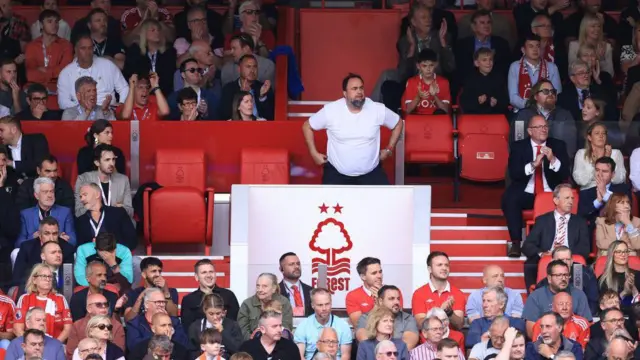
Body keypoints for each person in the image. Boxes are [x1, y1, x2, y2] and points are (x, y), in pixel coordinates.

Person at [303, 74, 403, 185]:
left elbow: (398, 123)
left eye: (361, 88)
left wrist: (389, 149)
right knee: (329, 201)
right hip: (337, 173)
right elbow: (307, 126)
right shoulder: (331, 110)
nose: (359, 92)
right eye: (354, 89)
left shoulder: (377, 109)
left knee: (386, 200)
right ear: (345, 94)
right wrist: (313, 153)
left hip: (371, 173)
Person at [502, 115, 570, 257]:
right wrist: (533, 164)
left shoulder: (558, 145)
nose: (543, 129)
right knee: (510, 197)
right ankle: (515, 242)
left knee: (568, 197)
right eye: (539, 127)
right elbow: (514, 173)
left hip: (550, 192)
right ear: (530, 131)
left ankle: (564, 243)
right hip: (527, 191)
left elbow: (564, 173)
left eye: (545, 126)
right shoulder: (518, 147)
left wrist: (553, 160)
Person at [522, 183, 591, 289]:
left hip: (570, 258)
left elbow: (585, 248)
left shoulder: (580, 222)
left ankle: (578, 295)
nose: (571, 201)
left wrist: (565, 254)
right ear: (556, 200)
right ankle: (534, 294)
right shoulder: (542, 220)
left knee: (579, 267)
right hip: (548, 256)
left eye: (572, 198)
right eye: (567, 198)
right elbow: (528, 245)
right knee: (529, 265)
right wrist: (542, 254)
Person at [57, 35, 129, 110]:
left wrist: (121, 106)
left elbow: (124, 88)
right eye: (83, 48)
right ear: (76, 49)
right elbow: (63, 102)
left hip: (107, 113)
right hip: (79, 115)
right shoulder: (66, 73)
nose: (87, 52)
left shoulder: (108, 65)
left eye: (90, 48)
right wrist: (84, 109)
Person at [14, 264, 72, 342]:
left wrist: (54, 345)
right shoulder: (25, 299)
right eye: (44, 276)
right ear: (34, 280)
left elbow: (68, 329)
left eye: (50, 276)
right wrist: (31, 344)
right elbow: (17, 329)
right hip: (30, 345)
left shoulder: (60, 299)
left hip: (56, 344)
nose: (48, 279)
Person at [74, 144, 133, 218]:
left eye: (113, 159)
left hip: (117, 223)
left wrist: (121, 209)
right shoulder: (83, 179)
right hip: (93, 223)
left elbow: (130, 212)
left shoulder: (123, 180)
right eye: (107, 160)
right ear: (97, 163)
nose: (112, 163)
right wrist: (91, 206)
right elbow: (78, 213)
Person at [181, 259, 240, 331]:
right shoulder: (188, 300)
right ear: (196, 277)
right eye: (204, 272)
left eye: (211, 272)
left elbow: (235, 323)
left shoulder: (228, 295)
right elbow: (187, 328)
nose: (208, 275)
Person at [16, 177, 76, 247]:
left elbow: (73, 240)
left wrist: (59, 239)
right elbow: (18, 243)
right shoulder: (25, 214)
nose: (50, 195)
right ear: (36, 195)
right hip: (33, 252)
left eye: (51, 191)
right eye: (45, 192)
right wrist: (33, 238)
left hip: (57, 250)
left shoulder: (65, 212)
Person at [74, 183, 137, 249]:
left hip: (116, 256)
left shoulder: (118, 213)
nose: (82, 199)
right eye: (80, 197)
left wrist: (107, 245)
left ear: (97, 195)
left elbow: (132, 240)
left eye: (85, 195)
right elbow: (80, 247)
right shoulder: (80, 220)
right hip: (92, 258)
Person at [294, 288, 352, 360]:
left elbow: (345, 356)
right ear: (313, 305)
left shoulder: (343, 326)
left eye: (327, 304)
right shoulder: (303, 326)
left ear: (331, 303)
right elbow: (300, 357)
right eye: (320, 305)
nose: (324, 308)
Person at [25, 9, 73, 92]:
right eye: (50, 21)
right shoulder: (31, 46)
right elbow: (30, 74)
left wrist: (44, 71)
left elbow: (65, 71)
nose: (54, 25)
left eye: (56, 22)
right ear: (41, 24)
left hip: (59, 87)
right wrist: (54, 73)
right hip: (34, 88)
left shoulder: (66, 45)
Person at [66, 293, 125, 359]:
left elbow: (119, 352)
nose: (104, 307)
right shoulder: (77, 325)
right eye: (99, 305)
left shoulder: (117, 326)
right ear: (89, 309)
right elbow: (70, 353)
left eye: (106, 304)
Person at [187, 293, 243, 359]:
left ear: (222, 311)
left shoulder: (233, 325)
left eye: (218, 313)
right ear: (204, 310)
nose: (215, 317)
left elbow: (238, 350)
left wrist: (223, 332)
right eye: (211, 314)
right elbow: (191, 353)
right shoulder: (195, 327)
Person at [238, 273, 293, 339]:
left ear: (273, 288)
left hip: (279, 344)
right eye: (258, 286)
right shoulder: (247, 304)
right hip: (253, 344)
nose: (260, 290)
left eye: (264, 286)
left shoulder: (284, 302)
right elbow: (243, 331)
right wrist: (255, 343)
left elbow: (285, 329)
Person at [123, 257, 179, 321]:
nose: (158, 274)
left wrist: (166, 291)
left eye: (159, 271)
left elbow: (174, 315)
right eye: (153, 271)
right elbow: (128, 319)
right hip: (142, 329)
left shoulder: (171, 292)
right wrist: (139, 299)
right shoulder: (132, 294)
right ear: (144, 275)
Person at [402, 48, 451, 115]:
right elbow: (408, 111)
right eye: (424, 66)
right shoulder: (411, 82)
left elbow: (445, 111)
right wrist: (418, 97)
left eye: (431, 65)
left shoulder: (443, 82)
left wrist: (435, 96)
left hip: (436, 120)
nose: (428, 69)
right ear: (418, 66)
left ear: (436, 64)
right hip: (418, 120)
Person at [278, 252, 312, 317]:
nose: (296, 267)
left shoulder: (311, 291)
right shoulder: (275, 291)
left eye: (298, 264)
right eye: (291, 264)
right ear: (281, 269)